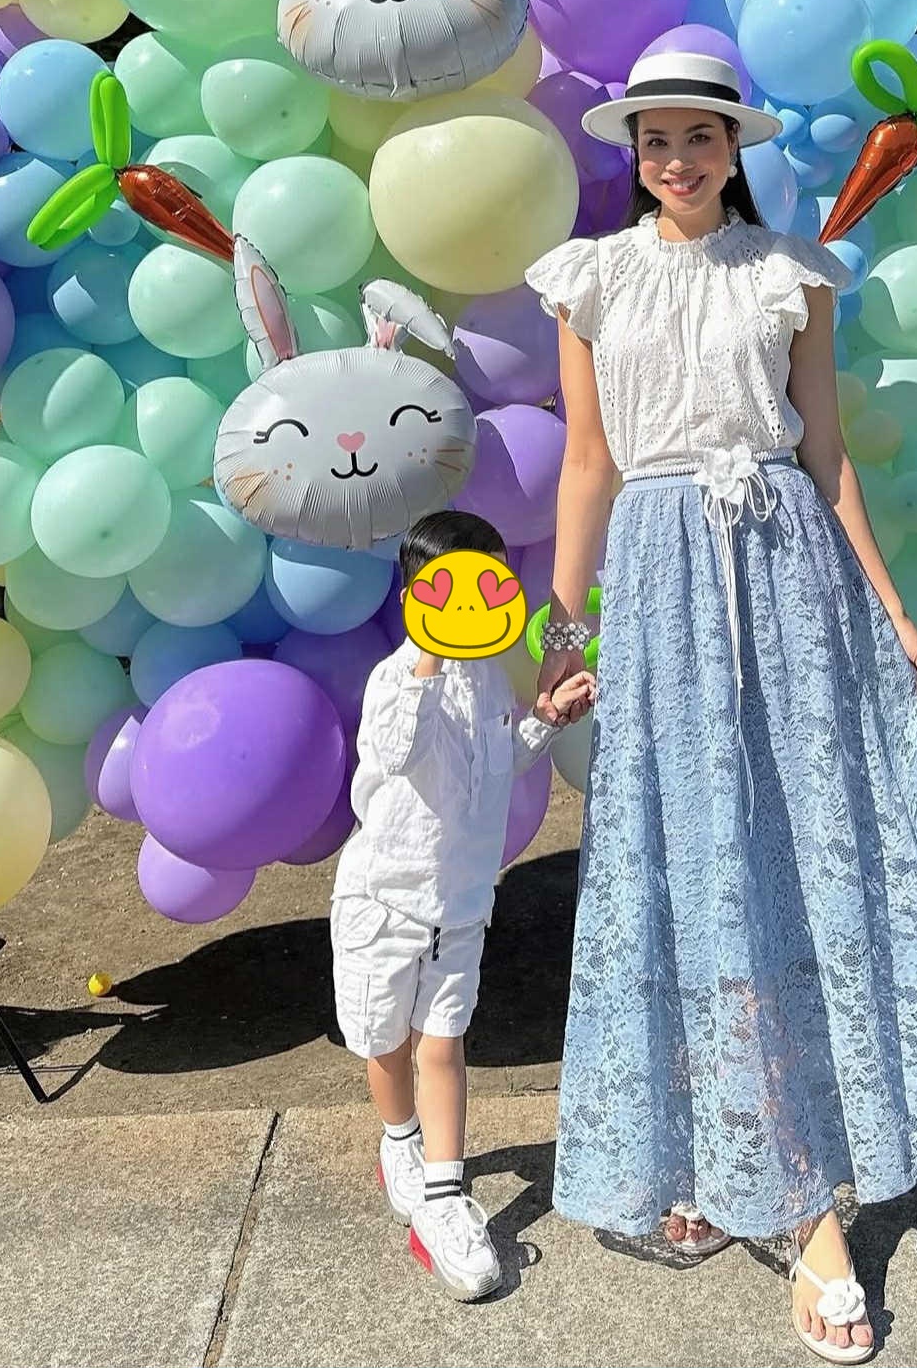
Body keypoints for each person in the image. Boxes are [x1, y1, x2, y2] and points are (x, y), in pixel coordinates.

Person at [526, 50, 917, 1364]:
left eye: (698, 135)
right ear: (633, 152)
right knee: (693, 866)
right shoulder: (588, 278)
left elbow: (826, 453)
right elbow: (586, 463)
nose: (676, 159)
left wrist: (891, 607)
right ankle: (751, 1169)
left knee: (800, 859)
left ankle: (798, 1187)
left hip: (790, 573)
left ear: (733, 145)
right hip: (659, 575)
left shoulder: (790, 275)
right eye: (654, 139)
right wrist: (563, 627)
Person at [331, 509, 595, 1302]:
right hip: (385, 901)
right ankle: (399, 1140)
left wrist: (544, 722)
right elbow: (397, 750)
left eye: (491, 584)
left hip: (462, 903)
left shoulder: (488, 680)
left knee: (444, 1043)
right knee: (386, 1043)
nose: (475, 605)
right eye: (452, 591)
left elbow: (494, 765)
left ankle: (443, 1201)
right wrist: (427, 653)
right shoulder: (394, 678)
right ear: (415, 598)